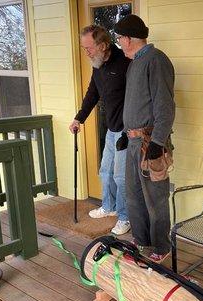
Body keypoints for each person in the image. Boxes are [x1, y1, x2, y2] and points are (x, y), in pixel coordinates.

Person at [114, 15, 175, 263]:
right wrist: (125, 134)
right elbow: (138, 105)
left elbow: (165, 106)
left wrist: (158, 142)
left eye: (119, 38)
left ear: (128, 39)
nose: (119, 43)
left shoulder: (155, 60)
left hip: (150, 143)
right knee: (133, 196)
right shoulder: (135, 63)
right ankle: (141, 243)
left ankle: (162, 246)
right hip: (134, 142)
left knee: (155, 198)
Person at [69, 25, 131, 235]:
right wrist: (79, 118)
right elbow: (92, 93)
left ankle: (125, 217)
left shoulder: (125, 63)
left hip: (126, 131)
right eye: (84, 48)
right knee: (106, 171)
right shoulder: (97, 65)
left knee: (121, 177)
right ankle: (110, 207)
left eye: (89, 48)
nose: (86, 52)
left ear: (103, 45)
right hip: (111, 128)